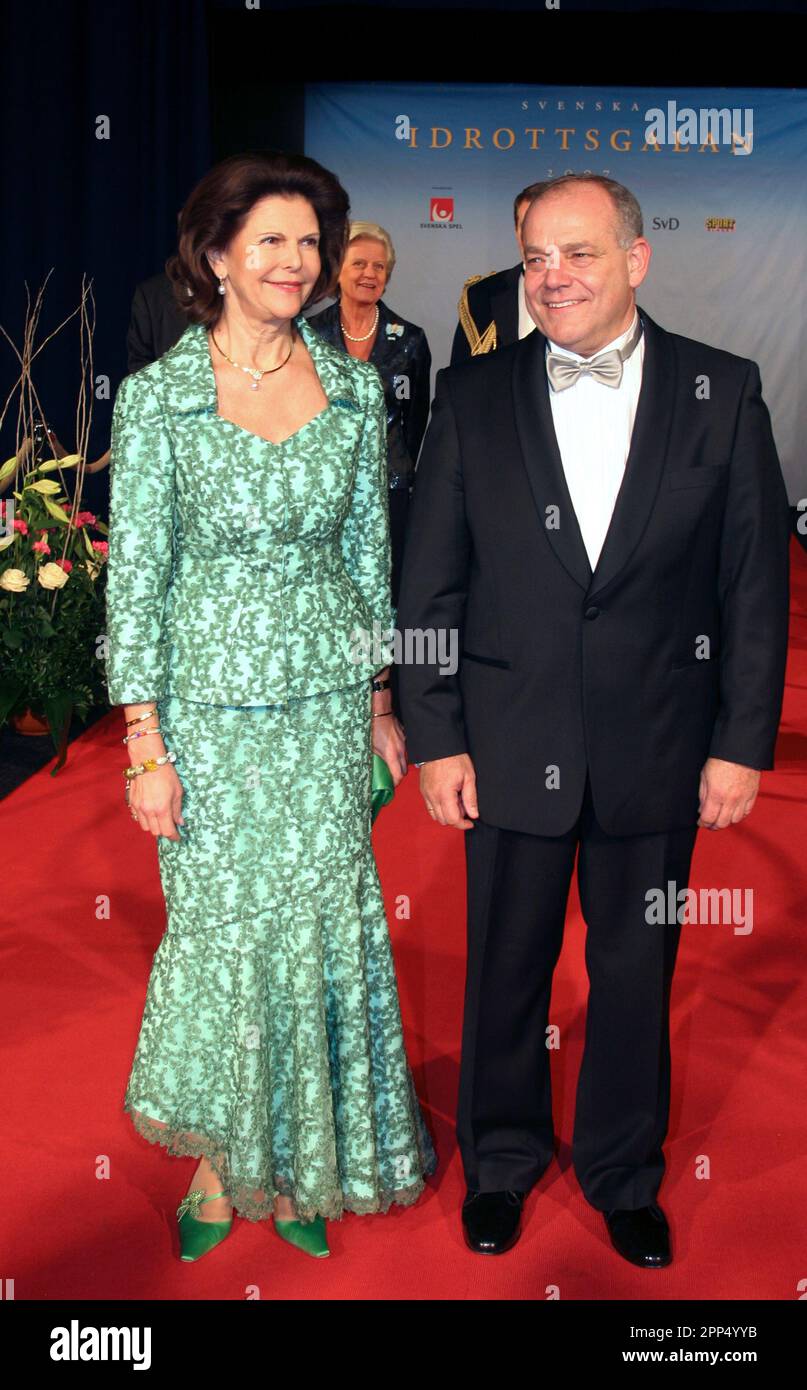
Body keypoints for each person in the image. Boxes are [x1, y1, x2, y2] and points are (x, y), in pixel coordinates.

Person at [396, 173, 790, 1267]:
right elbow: (430, 586)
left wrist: (738, 743)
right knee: (503, 969)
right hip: (508, 741)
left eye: (577, 253)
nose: (553, 277)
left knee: (635, 972)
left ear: (636, 258)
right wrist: (435, 733)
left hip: (660, 750)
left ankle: (624, 1172)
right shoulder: (473, 398)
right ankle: (504, 1159)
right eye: (535, 258)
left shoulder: (725, 388)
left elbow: (753, 588)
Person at [105, 150, 437, 1265]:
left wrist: (384, 696)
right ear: (216, 257)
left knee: (322, 929)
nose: (298, 262)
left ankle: (298, 1155)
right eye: (273, 243)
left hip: (328, 706)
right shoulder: (159, 400)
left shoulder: (351, 390)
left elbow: (366, 554)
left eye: (311, 242)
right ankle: (221, 1156)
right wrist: (145, 744)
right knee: (221, 935)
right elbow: (136, 578)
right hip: (205, 712)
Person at [307, 221, 432, 609]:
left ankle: (379, 667)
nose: (369, 274)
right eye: (359, 263)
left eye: (379, 267)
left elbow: (415, 422)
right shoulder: (307, 335)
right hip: (319, 488)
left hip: (389, 489)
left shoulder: (410, 340)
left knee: (383, 591)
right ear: (337, 268)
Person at [449, 181, 542, 364]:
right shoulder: (480, 295)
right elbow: (461, 377)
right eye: (527, 226)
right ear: (517, 232)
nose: (534, 237)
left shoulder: (586, 290)